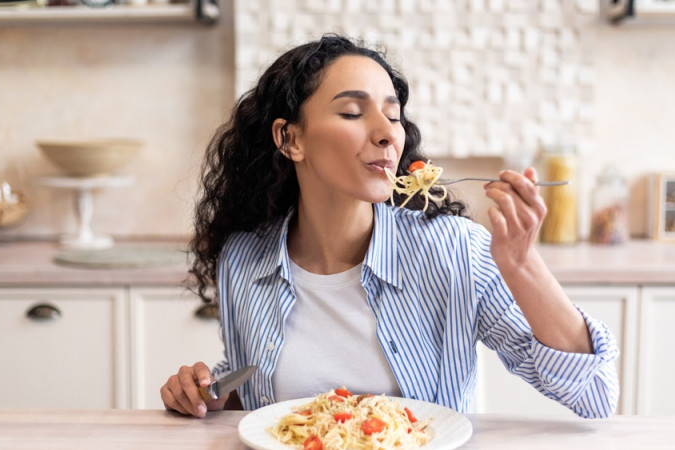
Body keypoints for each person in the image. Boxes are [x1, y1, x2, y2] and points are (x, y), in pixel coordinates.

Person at [160, 33, 619, 419]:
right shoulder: (244, 259)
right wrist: (206, 391)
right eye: (353, 113)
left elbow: (595, 395)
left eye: (393, 114)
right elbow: (256, 392)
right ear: (290, 138)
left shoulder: (454, 250)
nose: (387, 133)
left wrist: (521, 265)